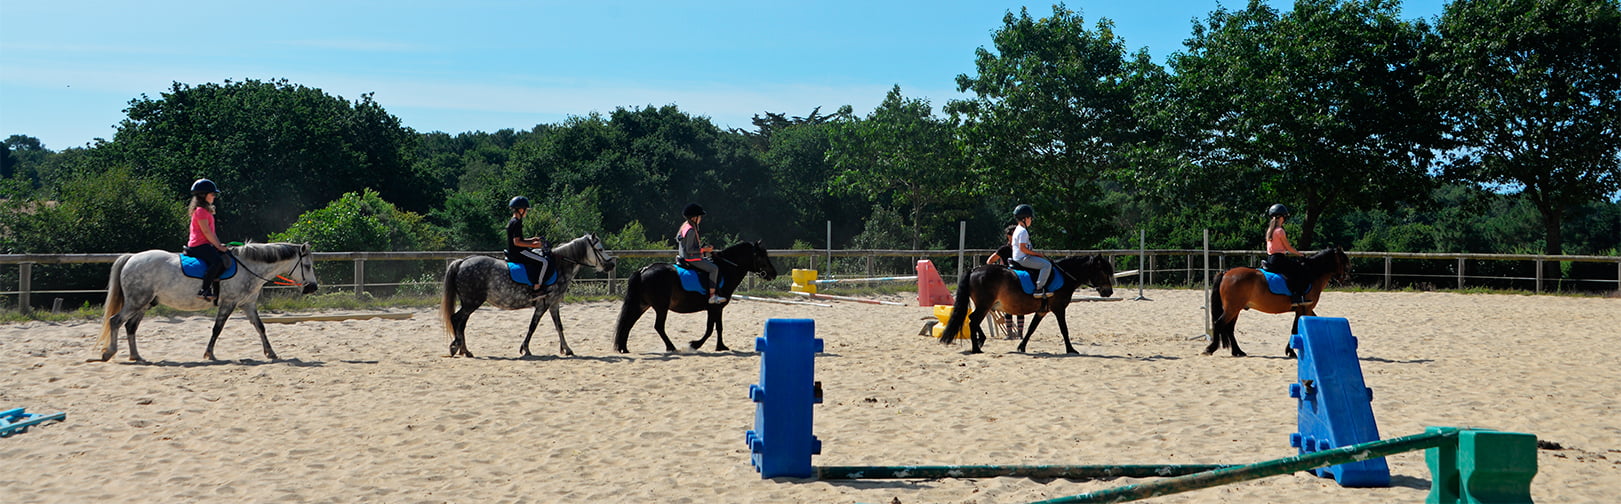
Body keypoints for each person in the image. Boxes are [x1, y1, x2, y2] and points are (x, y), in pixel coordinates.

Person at [185, 179, 230, 301]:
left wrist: (218, 245)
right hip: (198, 245)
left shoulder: (205, 211)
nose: (214, 197)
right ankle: (204, 290)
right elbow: (207, 232)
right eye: (212, 194)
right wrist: (219, 246)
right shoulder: (200, 211)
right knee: (217, 262)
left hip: (204, 244)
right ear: (203, 195)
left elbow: (211, 233)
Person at [676, 203, 725, 304]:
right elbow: (689, 249)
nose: (701, 219)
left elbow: (679, 240)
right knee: (714, 269)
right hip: (691, 258)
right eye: (700, 217)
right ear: (694, 218)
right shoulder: (691, 231)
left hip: (683, 256)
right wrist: (704, 250)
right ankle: (712, 296)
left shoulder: (684, 226)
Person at [1262, 203, 1309, 306]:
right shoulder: (1280, 231)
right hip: (1278, 259)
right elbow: (1288, 248)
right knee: (1299, 270)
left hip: (1270, 258)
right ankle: (1296, 296)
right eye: (1284, 216)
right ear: (1282, 217)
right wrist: (1299, 254)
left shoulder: (1270, 231)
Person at [504, 196, 551, 298]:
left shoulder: (513, 221)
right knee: (544, 262)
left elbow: (519, 239)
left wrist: (532, 239)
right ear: (521, 209)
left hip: (515, 250)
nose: (526, 212)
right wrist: (534, 245)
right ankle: (537, 288)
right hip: (519, 252)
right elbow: (517, 242)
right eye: (526, 210)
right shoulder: (517, 222)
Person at [986, 224, 1025, 337]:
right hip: (1008, 278)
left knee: (1021, 304)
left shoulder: (1021, 248)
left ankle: (1020, 333)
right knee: (1008, 305)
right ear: (1009, 236)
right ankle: (1009, 333)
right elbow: (990, 261)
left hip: (1020, 278)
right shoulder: (1004, 249)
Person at [1010, 204, 1054, 298]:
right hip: (1023, 258)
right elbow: (1023, 249)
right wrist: (1037, 254)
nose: (1031, 220)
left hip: (1020, 257)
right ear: (1024, 218)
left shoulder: (1018, 229)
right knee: (1046, 265)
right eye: (1030, 218)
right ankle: (1039, 288)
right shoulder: (1023, 231)